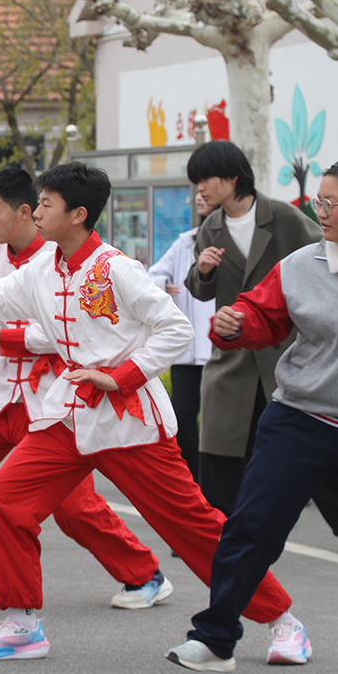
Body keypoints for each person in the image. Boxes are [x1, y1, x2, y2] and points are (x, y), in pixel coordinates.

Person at [0, 162, 302, 663]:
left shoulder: (116, 268)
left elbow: (176, 328)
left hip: (130, 421)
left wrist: (123, 375)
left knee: (193, 527)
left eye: (45, 204)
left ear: (78, 214)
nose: (36, 212)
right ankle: (21, 624)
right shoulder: (42, 268)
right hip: (69, 415)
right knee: (4, 499)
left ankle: (283, 620)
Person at [0, 167, 166, 608]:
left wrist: (9, 335)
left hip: (56, 397)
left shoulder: (69, 260)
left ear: (26, 211)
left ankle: (145, 574)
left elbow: (75, 334)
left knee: (74, 507)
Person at [167, 158, 338, 671]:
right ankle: (215, 639)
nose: (320, 211)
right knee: (250, 529)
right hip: (300, 421)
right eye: (318, 201)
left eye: (331, 203)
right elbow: (261, 315)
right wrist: (234, 323)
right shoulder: (300, 265)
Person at [184, 141, 338, 542]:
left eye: (206, 179)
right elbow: (202, 291)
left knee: (305, 446)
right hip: (231, 357)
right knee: (221, 448)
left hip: (285, 353)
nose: (200, 189)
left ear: (232, 178)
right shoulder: (210, 228)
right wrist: (203, 271)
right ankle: (218, 534)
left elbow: (326, 258)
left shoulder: (283, 216)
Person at [147, 193, 216, 478]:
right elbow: (151, 275)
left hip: (221, 351)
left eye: (205, 190)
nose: (200, 196)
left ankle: (215, 481)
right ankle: (192, 477)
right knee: (183, 417)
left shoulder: (236, 242)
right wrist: (163, 283)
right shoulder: (185, 242)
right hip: (188, 352)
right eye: (197, 191)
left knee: (218, 423)